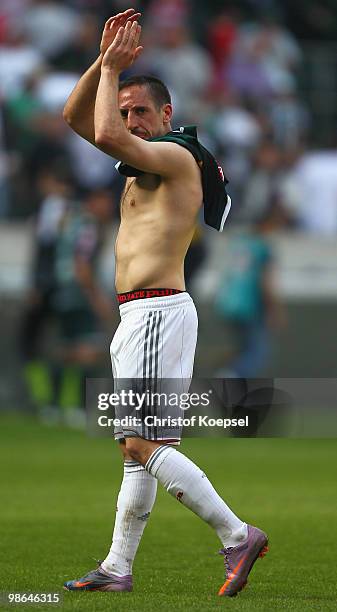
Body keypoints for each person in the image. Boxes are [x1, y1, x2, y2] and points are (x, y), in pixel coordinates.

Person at [62, 8, 268, 598]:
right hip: (140, 314)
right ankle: (118, 567)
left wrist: (114, 74)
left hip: (157, 310)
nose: (130, 120)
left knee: (140, 442)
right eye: (126, 111)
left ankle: (236, 535)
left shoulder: (176, 156)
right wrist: (105, 63)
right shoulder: (139, 158)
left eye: (141, 111)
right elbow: (76, 118)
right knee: (137, 451)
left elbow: (100, 132)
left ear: (167, 114)